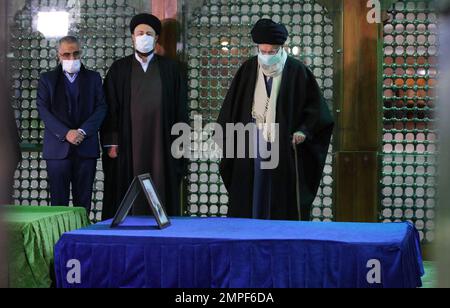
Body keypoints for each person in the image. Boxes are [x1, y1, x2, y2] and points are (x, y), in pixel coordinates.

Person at [217, 19, 334, 221]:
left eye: (272, 52)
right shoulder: (247, 69)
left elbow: (316, 111)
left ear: (281, 48)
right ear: (257, 48)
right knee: (251, 188)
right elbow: (232, 107)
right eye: (263, 51)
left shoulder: (297, 71)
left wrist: (303, 131)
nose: (267, 56)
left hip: (282, 145)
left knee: (278, 191)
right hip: (251, 141)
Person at [101, 14, 188, 220]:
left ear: (156, 38)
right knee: (128, 186)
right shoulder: (119, 69)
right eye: (140, 33)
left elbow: (180, 109)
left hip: (162, 141)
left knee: (162, 183)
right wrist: (112, 142)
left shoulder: (171, 70)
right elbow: (109, 107)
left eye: (149, 34)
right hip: (128, 143)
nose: (144, 37)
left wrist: (180, 143)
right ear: (132, 37)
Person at [37, 36, 107, 210]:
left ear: (81, 53)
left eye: (75, 54)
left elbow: (101, 108)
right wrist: (66, 133)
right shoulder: (47, 79)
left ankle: (82, 236)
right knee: (58, 204)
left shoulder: (93, 78)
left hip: (86, 148)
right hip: (57, 150)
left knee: (83, 203)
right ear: (58, 55)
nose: (71, 59)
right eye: (66, 54)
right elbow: (43, 110)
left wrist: (82, 131)